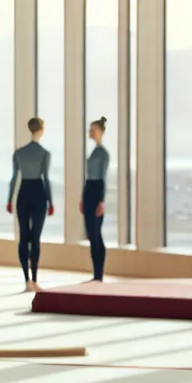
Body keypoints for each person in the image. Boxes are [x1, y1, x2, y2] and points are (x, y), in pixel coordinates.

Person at [5, 116, 55, 293]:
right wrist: (51, 202)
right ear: (41, 130)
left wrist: (9, 199)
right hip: (39, 193)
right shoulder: (44, 153)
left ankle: (27, 280)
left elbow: (13, 179)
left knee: (24, 236)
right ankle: (34, 279)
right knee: (35, 237)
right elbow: (46, 179)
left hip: (23, 193)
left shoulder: (19, 153)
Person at [82, 116, 110, 281]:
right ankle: (95, 272)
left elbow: (102, 178)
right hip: (89, 189)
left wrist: (101, 201)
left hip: (97, 190)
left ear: (100, 132)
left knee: (96, 232)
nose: (90, 132)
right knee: (91, 234)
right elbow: (89, 177)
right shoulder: (93, 151)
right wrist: (82, 197)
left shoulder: (103, 154)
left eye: (93, 129)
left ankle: (99, 273)